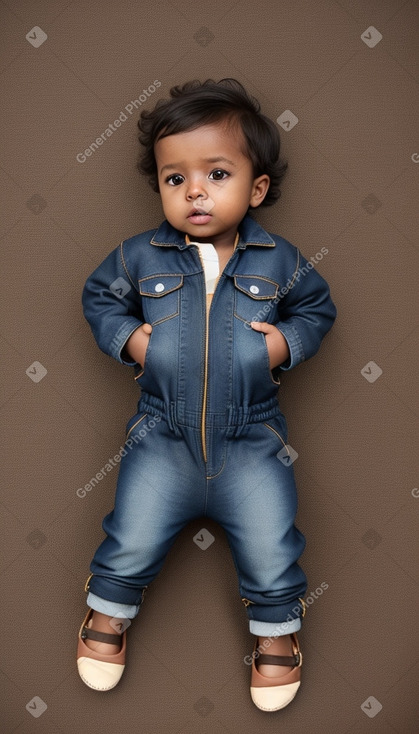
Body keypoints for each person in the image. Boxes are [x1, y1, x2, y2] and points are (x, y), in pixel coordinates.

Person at [76, 78, 337, 711]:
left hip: (253, 437)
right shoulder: (141, 256)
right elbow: (98, 297)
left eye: (217, 173)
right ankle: (107, 613)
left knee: (273, 539)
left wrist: (280, 346)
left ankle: (276, 636)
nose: (194, 190)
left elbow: (316, 308)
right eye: (175, 178)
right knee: (131, 533)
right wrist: (135, 340)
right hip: (161, 437)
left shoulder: (279, 260)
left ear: (257, 188)